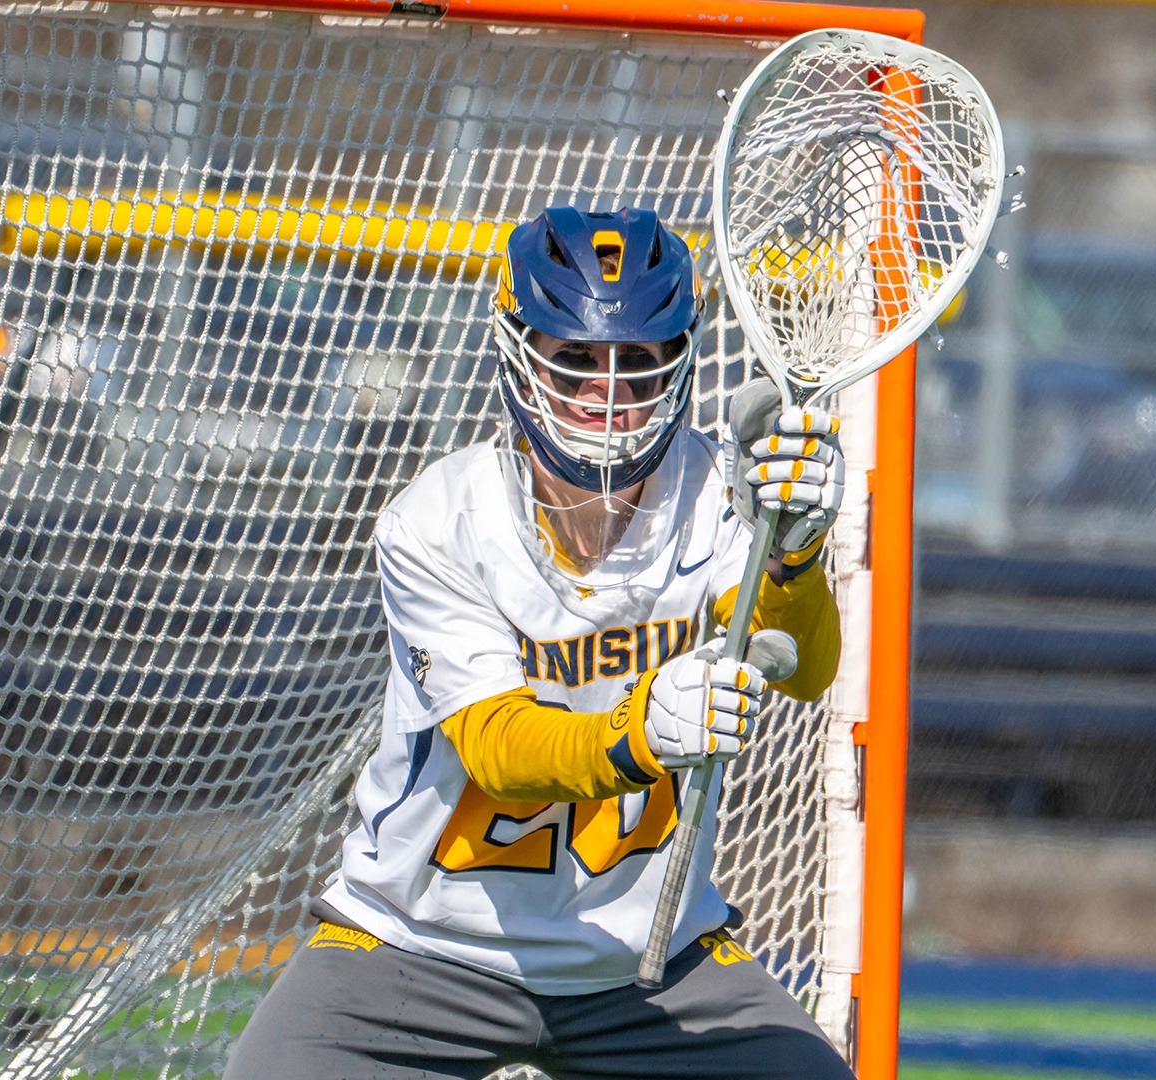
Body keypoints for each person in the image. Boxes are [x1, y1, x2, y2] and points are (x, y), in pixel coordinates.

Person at [225, 206, 850, 1079]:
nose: (608, 393)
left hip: (651, 964)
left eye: (637, 364)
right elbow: (498, 749)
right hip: (423, 946)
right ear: (520, 355)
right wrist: (641, 735)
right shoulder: (437, 522)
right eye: (576, 361)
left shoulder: (715, 491)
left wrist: (794, 554)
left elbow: (809, 670)